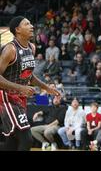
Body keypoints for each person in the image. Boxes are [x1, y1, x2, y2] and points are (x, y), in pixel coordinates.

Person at [0, 16, 60, 151]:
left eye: (31, 23)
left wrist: (46, 87)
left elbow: (28, 75)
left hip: (20, 99)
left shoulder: (32, 48)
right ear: (18, 30)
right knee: (26, 138)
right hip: (5, 99)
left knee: (12, 143)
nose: (32, 26)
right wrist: (21, 87)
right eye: (27, 24)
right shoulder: (11, 49)